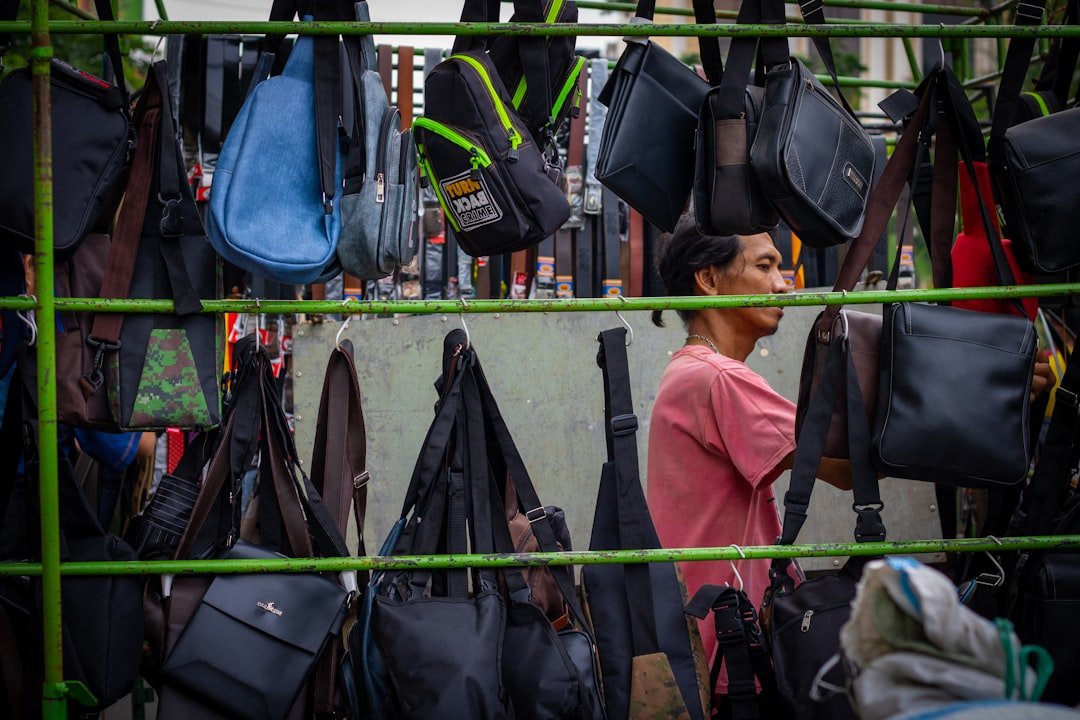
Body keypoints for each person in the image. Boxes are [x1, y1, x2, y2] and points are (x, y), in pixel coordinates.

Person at [646, 214, 1052, 712]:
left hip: (705, 630)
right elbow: (841, 466)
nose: (783, 284)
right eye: (765, 266)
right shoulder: (716, 378)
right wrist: (983, 396)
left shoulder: (691, 370)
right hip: (721, 644)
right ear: (709, 280)